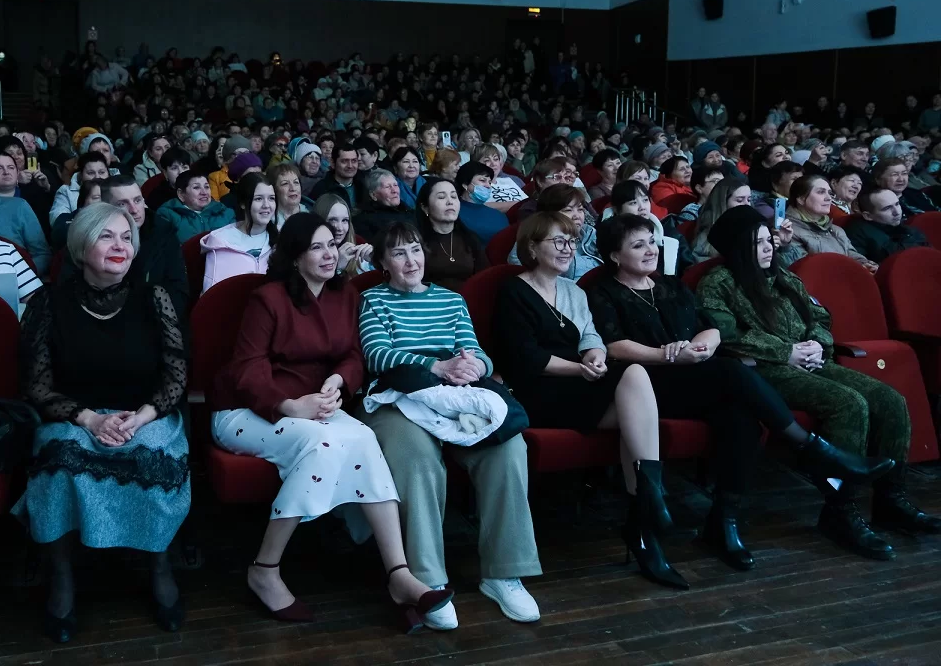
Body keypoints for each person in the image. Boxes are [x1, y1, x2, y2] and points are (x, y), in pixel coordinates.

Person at [588, 214, 893, 571]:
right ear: (614, 255)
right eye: (638, 245)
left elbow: (711, 329)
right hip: (643, 386)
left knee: (742, 418)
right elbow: (612, 345)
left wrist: (700, 348)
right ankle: (810, 448)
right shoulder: (602, 292)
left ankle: (723, 522)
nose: (650, 250)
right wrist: (667, 355)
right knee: (732, 371)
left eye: (652, 242)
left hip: (693, 376)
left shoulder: (671, 286)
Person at [211, 214, 453, 630]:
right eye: (316, 247)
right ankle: (264, 568)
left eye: (332, 245)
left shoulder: (344, 295)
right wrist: (289, 405)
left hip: (317, 407)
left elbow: (353, 356)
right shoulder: (267, 298)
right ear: (294, 256)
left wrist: (338, 381)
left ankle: (399, 574)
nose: (329, 254)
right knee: (321, 447)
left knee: (364, 439)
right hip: (249, 410)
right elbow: (247, 369)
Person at [697, 206, 939, 560]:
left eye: (768, 240)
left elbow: (820, 316)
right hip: (763, 370)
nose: (768, 248)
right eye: (757, 243)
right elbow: (726, 335)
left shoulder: (783, 276)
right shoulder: (718, 283)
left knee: (891, 400)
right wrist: (787, 352)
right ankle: (841, 509)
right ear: (737, 248)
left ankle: (891, 499)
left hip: (811, 360)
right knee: (849, 403)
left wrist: (816, 344)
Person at [13, 203, 189, 641]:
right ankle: (62, 577)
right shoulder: (48, 303)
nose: (120, 246)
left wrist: (142, 417)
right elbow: (38, 387)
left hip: (143, 413)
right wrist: (90, 420)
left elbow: (176, 375)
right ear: (80, 246)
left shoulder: (154, 298)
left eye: (126, 237)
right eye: (106, 236)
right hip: (76, 415)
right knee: (60, 464)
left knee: (152, 457)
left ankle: (159, 564)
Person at [353, 223, 542, 629]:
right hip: (397, 395)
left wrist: (474, 366)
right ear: (383, 262)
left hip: (454, 393)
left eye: (415, 250)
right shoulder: (373, 299)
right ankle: (427, 579)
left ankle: (504, 573)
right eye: (399, 253)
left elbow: (475, 351)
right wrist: (435, 366)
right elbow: (377, 356)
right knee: (416, 458)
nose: (411, 261)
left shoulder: (451, 300)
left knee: (509, 447)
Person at [492, 212, 687, 587]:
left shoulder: (574, 291)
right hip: (537, 389)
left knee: (634, 377)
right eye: (558, 241)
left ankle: (645, 510)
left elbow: (592, 338)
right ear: (532, 247)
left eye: (571, 241)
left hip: (579, 383)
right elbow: (524, 358)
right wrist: (580, 369)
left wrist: (594, 357)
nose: (568, 249)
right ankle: (647, 514)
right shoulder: (513, 291)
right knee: (635, 414)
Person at [100, 175, 189, 313]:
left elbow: (179, 289)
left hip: (155, 316)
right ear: (106, 208)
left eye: (137, 200)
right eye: (122, 204)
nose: (134, 210)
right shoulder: (92, 238)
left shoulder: (164, 233)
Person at [200, 172, 277, 293]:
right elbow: (211, 295)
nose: (266, 205)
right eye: (258, 199)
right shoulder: (221, 242)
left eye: (271, 198)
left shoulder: (281, 240)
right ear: (242, 203)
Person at [782, 175, 875, 272]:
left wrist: (864, 264)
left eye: (830, 193)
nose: (829, 198)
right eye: (821, 192)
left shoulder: (836, 229)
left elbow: (851, 253)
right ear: (801, 199)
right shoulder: (787, 231)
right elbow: (803, 269)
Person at [416, 178, 487, 291]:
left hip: (466, 299)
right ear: (425, 207)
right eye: (441, 197)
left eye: (454, 196)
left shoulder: (470, 238)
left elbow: (484, 278)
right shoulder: (415, 241)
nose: (450, 202)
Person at [845, 186, 931, 263]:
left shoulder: (907, 229)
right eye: (887, 208)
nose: (897, 212)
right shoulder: (857, 234)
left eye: (897, 204)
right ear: (868, 216)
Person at [155, 171, 234, 244]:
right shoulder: (167, 215)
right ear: (181, 194)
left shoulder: (225, 212)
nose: (204, 192)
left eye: (206, 187)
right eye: (196, 187)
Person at [690, 177, 751, 262]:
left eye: (749, 199)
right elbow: (702, 266)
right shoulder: (705, 239)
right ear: (723, 203)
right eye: (739, 200)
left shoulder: (753, 225)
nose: (747, 204)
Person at [313, 193, 373, 276]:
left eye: (345, 220)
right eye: (333, 220)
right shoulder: (311, 255)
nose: (340, 228)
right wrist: (338, 267)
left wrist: (375, 261)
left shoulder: (358, 244)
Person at [454, 162, 508, 247]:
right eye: (482, 180)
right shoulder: (453, 212)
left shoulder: (499, 216)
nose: (488, 186)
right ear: (465, 184)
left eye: (489, 182)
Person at [50, 152, 111, 225]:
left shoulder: (118, 189)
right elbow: (57, 220)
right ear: (81, 175)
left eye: (102, 172)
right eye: (91, 173)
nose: (97, 177)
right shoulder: (65, 192)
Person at [353, 169, 412, 242]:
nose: (394, 191)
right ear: (373, 195)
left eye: (395, 185)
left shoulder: (409, 211)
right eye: (387, 187)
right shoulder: (363, 221)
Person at [51, 177, 105, 252]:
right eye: (97, 198)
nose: (103, 202)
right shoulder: (64, 221)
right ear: (84, 199)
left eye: (106, 198)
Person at [872, 157, 937, 217]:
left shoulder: (916, 193)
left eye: (904, 173)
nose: (901, 179)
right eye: (894, 175)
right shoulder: (876, 203)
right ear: (878, 179)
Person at [309, 140, 361, 206]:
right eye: (344, 161)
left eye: (354, 161)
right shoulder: (321, 189)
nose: (350, 166)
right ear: (333, 163)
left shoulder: (362, 187)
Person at [267, 163, 310, 229]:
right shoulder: (267, 221)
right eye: (285, 183)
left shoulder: (310, 214)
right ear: (274, 190)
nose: (293, 188)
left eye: (296, 182)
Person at [147, 148, 191, 212]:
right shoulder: (156, 197)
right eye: (174, 168)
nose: (181, 172)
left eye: (185, 167)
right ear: (165, 173)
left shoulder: (199, 188)